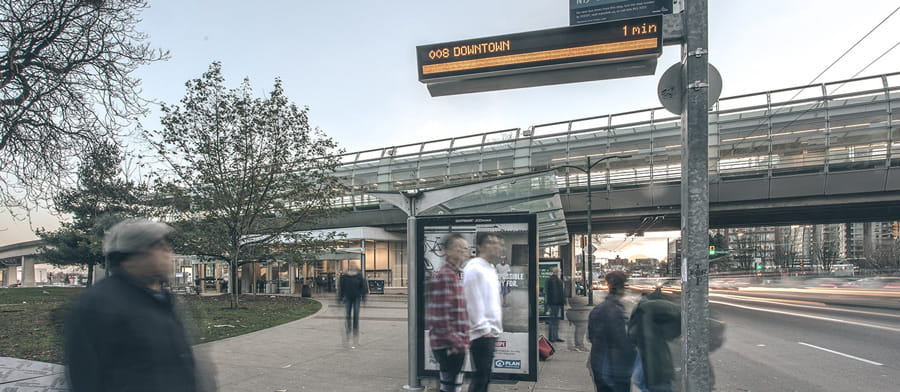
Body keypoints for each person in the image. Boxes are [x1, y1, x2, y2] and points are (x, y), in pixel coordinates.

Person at [63, 219, 214, 392]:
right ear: (131, 257)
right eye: (157, 246)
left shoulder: (163, 299)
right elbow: (85, 377)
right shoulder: (97, 304)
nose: (168, 251)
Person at [426, 233, 470, 392]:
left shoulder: (454, 275)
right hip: (449, 346)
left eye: (465, 248)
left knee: (450, 386)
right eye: (459, 247)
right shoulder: (446, 276)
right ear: (447, 251)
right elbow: (439, 317)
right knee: (450, 388)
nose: (463, 251)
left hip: (452, 344)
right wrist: (457, 343)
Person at [463, 232, 504, 392]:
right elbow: (472, 300)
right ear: (479, 247)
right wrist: (484, 329)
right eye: (491, 242)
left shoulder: (490, 268)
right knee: (480, 379)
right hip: (481, 334)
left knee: (484, 377)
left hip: (491, 332)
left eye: (498, 242)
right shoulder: (474, 268)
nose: (496, 246)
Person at [588, 271, 635, 392]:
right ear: (620, 288)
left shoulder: (599, 309)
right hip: (613, 371)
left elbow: (591, 336)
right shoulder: (616, 311)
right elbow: (622, 343)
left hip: (599, 365)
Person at [628, 288, 681, 392]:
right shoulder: (648, 312)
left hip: (646, 372)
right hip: (656, 376)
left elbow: (631, 335)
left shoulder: (641, 313)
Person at [338, 264, 368, 348]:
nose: (352, 267)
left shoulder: (359, 276)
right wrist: (340, 297)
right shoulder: (344, 277)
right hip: (348, 298)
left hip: (356, 298)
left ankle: (355, 336)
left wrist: (364, 297)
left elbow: (363, 287)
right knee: (347, 316)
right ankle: (348, 333)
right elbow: (341, 288)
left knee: (355, 316)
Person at [546, 267, 566, 342]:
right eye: (560, 271)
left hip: (554, 303)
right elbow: (556, 293)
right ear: (557, 272)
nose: (561, 272)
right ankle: (553, 337)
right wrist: (560, 302)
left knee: (555, 320)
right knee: (553, 320)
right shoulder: (555, 280)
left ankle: (555, 336)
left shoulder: (552, 280)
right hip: (555, 303)